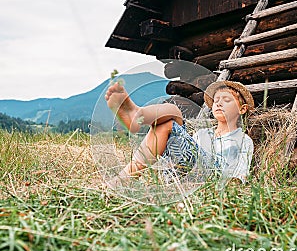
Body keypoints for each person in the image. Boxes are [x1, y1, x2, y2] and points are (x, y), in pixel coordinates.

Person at [105, 80, 254, 187]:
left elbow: (239, 176)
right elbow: (182, 153)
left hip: (213, 178)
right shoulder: (201, 134)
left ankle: (138, 114)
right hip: (181, 176)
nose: (219, 103)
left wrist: (227, 188)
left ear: (242, 109)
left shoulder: (243, 140)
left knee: (173, 116)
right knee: (164, 124)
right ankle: (137, 115)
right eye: (216, 101)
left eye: (226, 100)